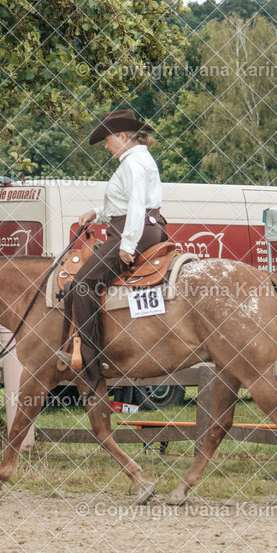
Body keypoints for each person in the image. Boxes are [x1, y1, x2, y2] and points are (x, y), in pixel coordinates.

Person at [67, 109, 168, 385]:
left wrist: (128, 244)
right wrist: (96, 214)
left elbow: (136, 206)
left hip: (133, 231)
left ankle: (91, 364)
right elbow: (125, 204)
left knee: (83, 284)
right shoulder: (140, 160)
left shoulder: (132, 164)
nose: (106, 146)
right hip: (146, 227)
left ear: (123, 136)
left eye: (108, 139)